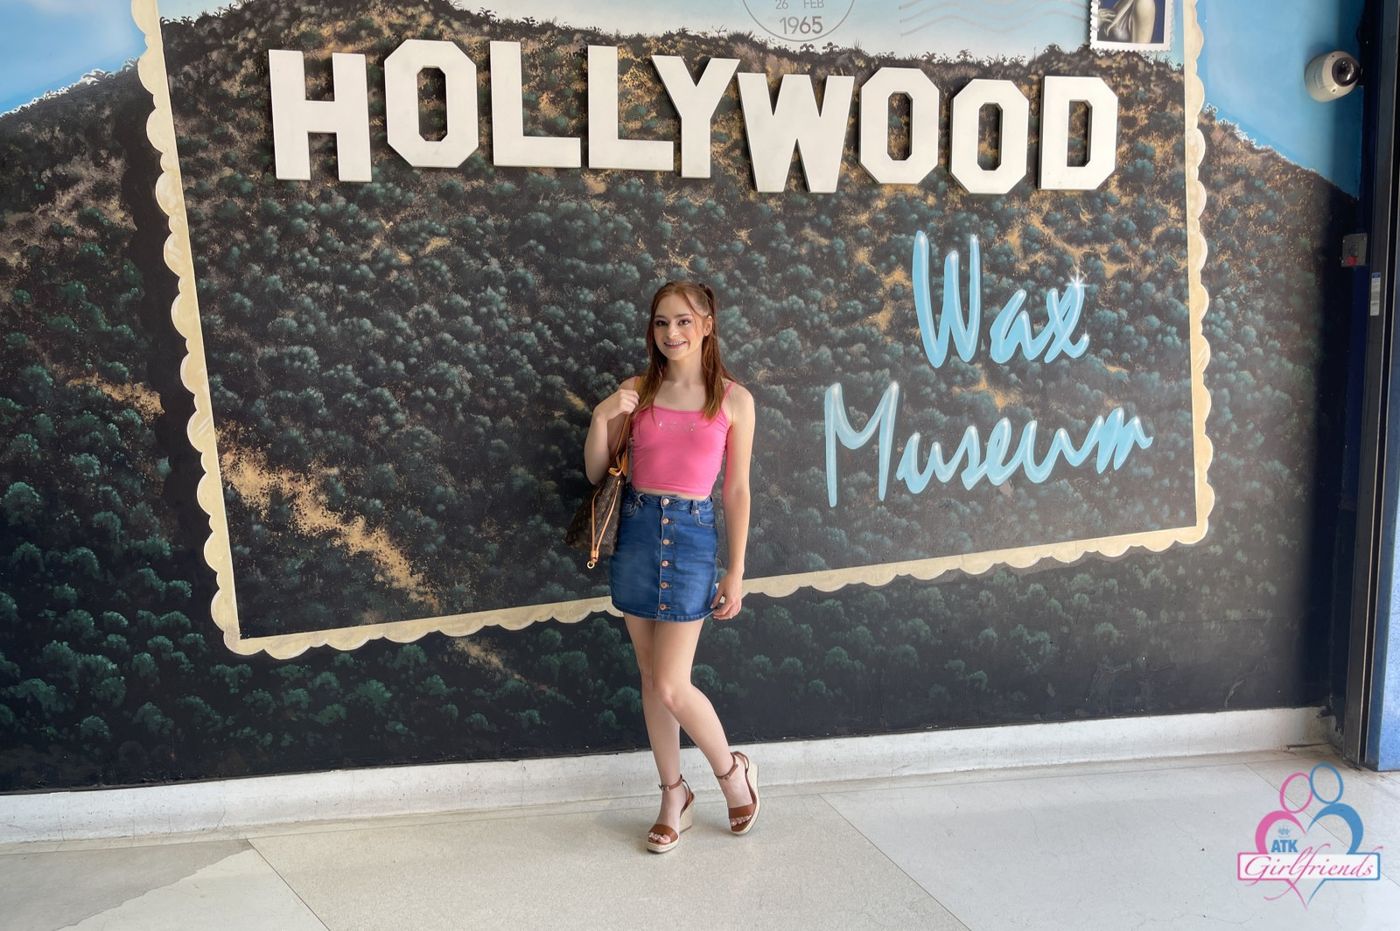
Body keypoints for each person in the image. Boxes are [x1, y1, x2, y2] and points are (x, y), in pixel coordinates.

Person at [582, 279, 759, 853]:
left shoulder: (733, 399)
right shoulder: (635, 391)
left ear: (707, 324)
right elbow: (595, 473)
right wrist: (603, 416)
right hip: (636, 530)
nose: (671, 332)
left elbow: (736, 490)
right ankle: (672, 795)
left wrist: (736, 569)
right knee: (649, 677)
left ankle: (732, 772)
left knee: (670, 683)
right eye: (661, 322)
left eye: (684, 321)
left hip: (692, 536)